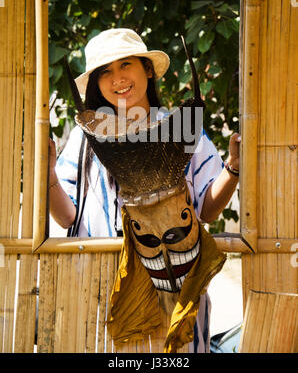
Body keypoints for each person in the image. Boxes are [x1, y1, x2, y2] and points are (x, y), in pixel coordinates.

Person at [48, 28, 241, 352]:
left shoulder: (181, 127)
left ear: (147, 69)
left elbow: (206, 210)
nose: (117, 78)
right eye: (104, 72)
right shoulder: (85, 138)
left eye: (126, 65)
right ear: (95, 83)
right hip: (103, 294)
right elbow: (68, 217)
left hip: (176, 291)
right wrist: (47, 173)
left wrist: (234, 166)